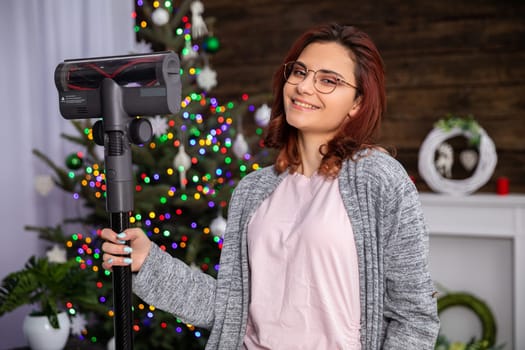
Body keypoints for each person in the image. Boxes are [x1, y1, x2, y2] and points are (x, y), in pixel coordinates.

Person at [101, 23, 440, 349]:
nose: (305, 87)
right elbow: (231, 311)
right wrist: (149, 261)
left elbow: (413, 315)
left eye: (329, 80)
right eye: (300, 72)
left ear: (357, 103)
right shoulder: (254, 190)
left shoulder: (378, 179)